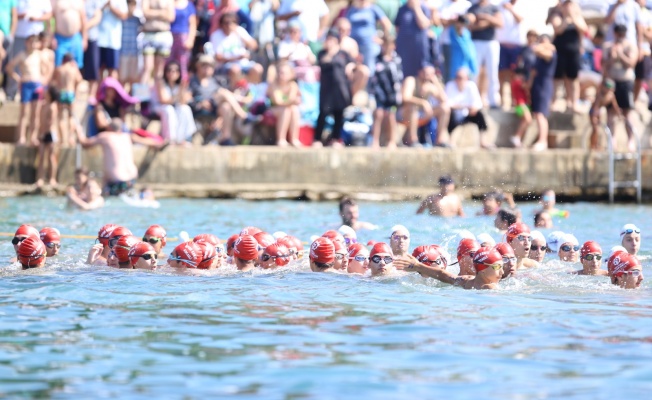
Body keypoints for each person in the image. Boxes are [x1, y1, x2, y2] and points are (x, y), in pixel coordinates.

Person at [189, 55, 248, 145]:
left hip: (214, 106)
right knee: (223, 93)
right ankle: (243, 116)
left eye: (209, 66)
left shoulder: (213, 81)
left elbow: (226, 95)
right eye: (204, 65)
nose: (207, 68)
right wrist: (200, 103)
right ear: (198, 66)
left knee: (226, 106)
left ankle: (226, 137)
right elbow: (187, 98)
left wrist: (242, 99)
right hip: (200, 107)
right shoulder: (192, 81)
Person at [75, 117, 139, 196]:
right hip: (131, 180)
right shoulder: (127, 136)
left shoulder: (105, 136)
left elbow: (85, 143)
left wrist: (78, 130)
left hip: (116, 181)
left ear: (109, 127)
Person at [313, 29, 356, 146]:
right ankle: (317, 139)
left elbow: (353, 62)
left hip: (340, 88)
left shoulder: (343, 54)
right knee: (323, 113)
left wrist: (351, 66)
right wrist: (331, 51)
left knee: (339, 114)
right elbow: (322, 62)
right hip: (327, 89)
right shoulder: (322, 53)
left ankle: (336, 139)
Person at [5, 0, 51, 102]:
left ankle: (40, 91)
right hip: (20, 35)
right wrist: (20, 16)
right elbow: (11, 13)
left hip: (36, 36)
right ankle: (11, 93)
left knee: (38, 64)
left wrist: (37, 18)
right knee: (16, 63)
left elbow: (49, 15)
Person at [397, 246, 504, 290]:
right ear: (483, 269)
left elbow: (443, 275)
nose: (502, 272)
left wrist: (418, 266)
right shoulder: (491, 288)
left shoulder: (466, 281)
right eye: (497, 267)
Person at [603, 24, 638, 153]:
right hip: (611, 82)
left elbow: (631, 64)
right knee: (610, 112)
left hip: (625, 81)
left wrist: (620, 54)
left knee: (628, 112)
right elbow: (603, 65)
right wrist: (612, 57)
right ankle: (612, 141)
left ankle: (631, 141)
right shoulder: (608, 46)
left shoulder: (630, 46)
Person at [4, 34, 42, 147]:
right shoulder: (22, 55)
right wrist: (18, 78)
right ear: (27, 43)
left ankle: (33, 137)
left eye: (35, 42)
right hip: (26, 84)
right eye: (31, 42)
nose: (33, 45)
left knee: (36, 113)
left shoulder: (39, 55)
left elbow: (46, 68)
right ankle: (21, 137)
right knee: (24, 112)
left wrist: (44, 79)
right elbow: (9, 67)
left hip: (37, 84)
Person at [550, 0, 587, 113]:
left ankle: (573, 103)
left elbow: (583, 29)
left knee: (573, 78)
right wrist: (566, 20)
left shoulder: (577, 17)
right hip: (560, 51)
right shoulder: (557, 16)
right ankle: (554, 102)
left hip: (573, 52)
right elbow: (558, 30)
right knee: (557, 78)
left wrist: (573, 18)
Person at [400, 65, 450, 147]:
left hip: (422, 114)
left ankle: (439, 140)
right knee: (413, 108)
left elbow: (445, 100)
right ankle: (413, 140)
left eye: (431, 74)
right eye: (426, 73)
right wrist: (423, 102)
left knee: (444, 108)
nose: (428, 76)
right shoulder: (411, 80)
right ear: (420, 72)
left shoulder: (430, 85)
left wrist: (436, 84)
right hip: (405, 113)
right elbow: (405, 97)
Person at [466, 0, 503, 108]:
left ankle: (493, 101)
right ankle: (472, 101)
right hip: (476, 42)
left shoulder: (494, 8)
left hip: (491, 42)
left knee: (492, 72)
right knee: (474, 72)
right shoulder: (472, 8)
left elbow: (500, 23)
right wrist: (483, 24)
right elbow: (469, 25)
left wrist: (487, 18)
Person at [445, 68, 492, 148]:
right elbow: (447, 104)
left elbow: (478, 103)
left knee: (479, 115)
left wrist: (473, 108)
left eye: (461, 78)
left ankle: (483, 141)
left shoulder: (471, 86)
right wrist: (465, 106)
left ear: (466, 78)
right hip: (454, 115)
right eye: (457, 77)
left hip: (467, 114)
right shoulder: (450, 86)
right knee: (449, 113)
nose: (458, 80)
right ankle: (450, 141)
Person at [152, 61, 197, 145]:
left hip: (173, 108)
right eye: (169, 70)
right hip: (159, 107)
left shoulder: (179, 85)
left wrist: (183, 90)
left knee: (185, 109)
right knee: (169, 110)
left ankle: (183, 139)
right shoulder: (160, 83)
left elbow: (183, 102)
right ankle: (170, 139)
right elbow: (164, 100)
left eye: (176, 70)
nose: (172, 73)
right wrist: (179, 93)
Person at [370, 37, 402, 149]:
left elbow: (398, 79)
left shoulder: (396, 60)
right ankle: (374, 141)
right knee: (378, 114)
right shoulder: (377, 60)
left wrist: (396, 95)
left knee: (391, 115)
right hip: (379, 94)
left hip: (392, 95)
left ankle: (392, 141)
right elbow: (374, 78)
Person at [345, 0, 392, 74]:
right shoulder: (352, 10)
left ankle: (370, 85)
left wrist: (381, 37)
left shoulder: (373, 8)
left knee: (369, 69)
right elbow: (345, 23)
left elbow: (387, 24)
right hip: (353, 46)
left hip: (368, 44)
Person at [529, 34, 557, 151]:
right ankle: (540, 139)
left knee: (541, 114)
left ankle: (543, 140)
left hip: (544, 84)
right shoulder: (539, 57)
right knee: (537, 113)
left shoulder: (550, 53)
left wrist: (542, 45)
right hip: (537, 83)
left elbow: (536, 48)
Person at [140, 0, 175, 85]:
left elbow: (171, 17)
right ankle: (142, 96)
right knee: (147, 68)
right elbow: (145, 12)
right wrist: (162, 13)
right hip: (148, 35)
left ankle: (157, 95)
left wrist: (152, 12)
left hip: (163, 35)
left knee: (159, 70)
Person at [267, 62, 301, 146]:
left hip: (286, 108)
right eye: (280, 72)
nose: (281, 75)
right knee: (286, 110)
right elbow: (277, 102)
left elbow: (292, 99)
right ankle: (281, 139)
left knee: (294, 110)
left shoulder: (293, 85)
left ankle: (294, 139)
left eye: (284, 73)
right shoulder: (273, 85)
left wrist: (292, 101)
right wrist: (292, 101)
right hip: (272, 109)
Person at [497, 0, 524, 108]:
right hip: (502, 45)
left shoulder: (521, 6)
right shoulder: (500, 5)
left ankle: (514, 101)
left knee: (514, 75)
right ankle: (502, 101)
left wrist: (510, 9)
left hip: (515, 47)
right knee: (501, 75)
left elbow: (520, 19)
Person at [395, 0, 432, 79]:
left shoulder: (423, 8)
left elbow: (424, 24)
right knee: (407, 76)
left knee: (422, 74)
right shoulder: (402, 9)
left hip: (419, 50)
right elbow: (397, 28)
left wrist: (416, 8)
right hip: (405, 50)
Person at [53, 53, 82, 147]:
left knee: (61, 117)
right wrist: (75, 90)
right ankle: (70, 138)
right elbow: (79, 80)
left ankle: (62, 140)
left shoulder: (59, 69)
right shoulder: (73, 69)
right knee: (71, 116)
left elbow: (54, 82)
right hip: (70, 93)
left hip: (61, 93)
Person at [35, 86, 59, 188]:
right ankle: (40, 178)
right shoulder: (43, 105)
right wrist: (40, 133)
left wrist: (44, 132)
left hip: (50, 134)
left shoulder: (53, 106)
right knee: (41, 156)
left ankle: (52, 178)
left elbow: (50, 121)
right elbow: (40, 120)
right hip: (42, 133)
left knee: (51, 156)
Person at [98, 0, 128, 80]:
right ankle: (101, 92)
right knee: (99, 69)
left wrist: (111, 7)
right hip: (99, 40)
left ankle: (111, 91)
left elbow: (124, 15)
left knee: (113, 69)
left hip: (113, 41)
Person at [52, 0, 87, 68]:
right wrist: (52, 37)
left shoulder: (79, 1)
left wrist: (84, 38)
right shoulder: (56, 1)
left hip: (75, 38)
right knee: (59, 66)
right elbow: (51, 18)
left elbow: (83, 19)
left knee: (77, 66)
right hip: (60, 38)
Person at [169, 0, 196, 83]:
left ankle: (183, 87)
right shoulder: (168, 3)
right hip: (170, 36)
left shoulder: (189, 5)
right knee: (168, 64)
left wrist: (191, 39)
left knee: (183, 65)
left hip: (183, 37)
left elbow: (192, 24)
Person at [589, 79, 619, 150]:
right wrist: (594, 117)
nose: (608, 89)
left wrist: (619, 114)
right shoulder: (600, 95)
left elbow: (615, 106)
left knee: (599, 130)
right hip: (593, 112)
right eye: (607, 86)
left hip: (599, 112)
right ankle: (592, 145)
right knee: (595, 129)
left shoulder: (611, 95)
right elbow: (595, 107)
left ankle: (596, 145)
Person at [83, 0, 105, 98]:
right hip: (77, 38)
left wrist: (83, 27)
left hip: (92, 38)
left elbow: (97, 17)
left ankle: (91, 97)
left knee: (93, 70)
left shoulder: (95, 2)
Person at [119, 0, 142, 89]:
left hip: (134, 51)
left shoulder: (137, 20)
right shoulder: (122, 18)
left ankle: (132, 97)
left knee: (134, 77)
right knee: (122, 77)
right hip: (123, 51)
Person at [510, 68, 530, 147]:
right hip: (520, 104)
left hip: (522, 104)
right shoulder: (517, 82)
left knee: (525, 120)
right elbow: (526, 87)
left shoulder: (514, 82)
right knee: (528, 119)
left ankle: (518, 138)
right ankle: (517, 137)